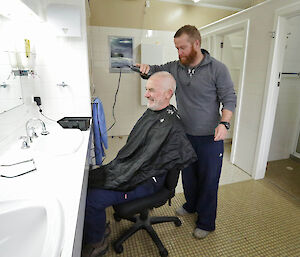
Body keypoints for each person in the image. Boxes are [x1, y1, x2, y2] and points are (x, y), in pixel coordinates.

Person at [137, 25, 237, 239]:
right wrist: (146, 69)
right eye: (177, 48)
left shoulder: (217, 69)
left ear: (197, 44)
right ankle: (191, 205)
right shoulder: (176, 67)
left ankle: (207, 222)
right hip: (185, 134)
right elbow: (157, 70)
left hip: (210, 138)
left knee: (209, 180)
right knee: (189, 176)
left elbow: (229, 99)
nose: (179, 53)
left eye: (183, 48)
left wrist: (224, 123)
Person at [82, 71, 197, 257]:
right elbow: (138, 150)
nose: (146, 94)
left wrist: (128, 172)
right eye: (146, 89)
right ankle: (99, 228)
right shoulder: (153, 113)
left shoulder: (172, 125)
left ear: (168, 93)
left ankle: (97, 242)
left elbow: (159, 161)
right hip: (136, 170)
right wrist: (125, 167)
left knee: (92, 198)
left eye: (151, 90)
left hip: (147, 180)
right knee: (94, 178)